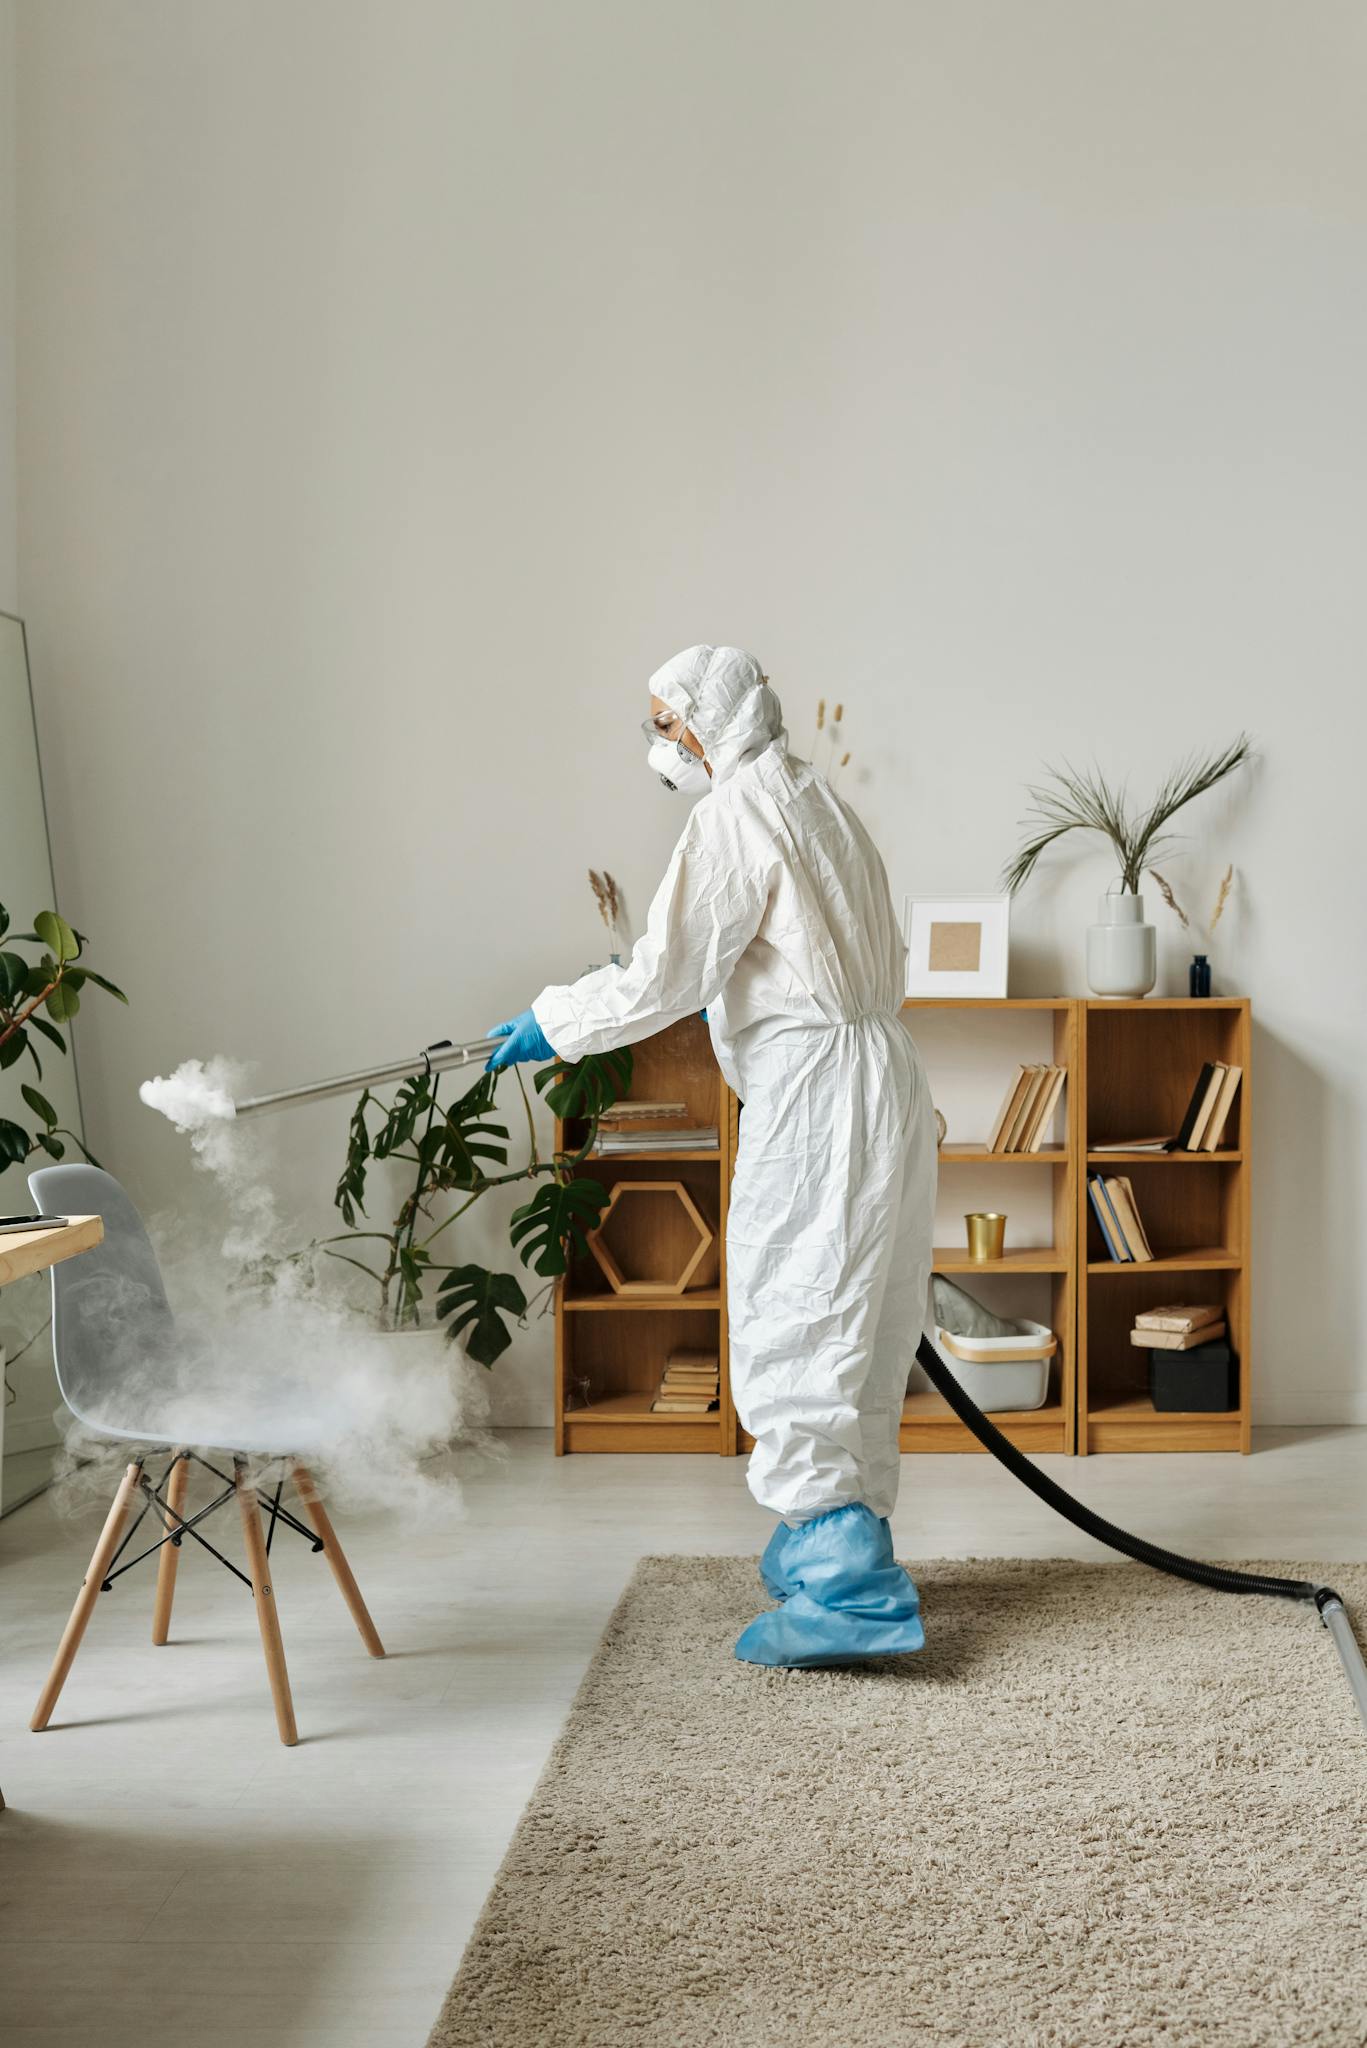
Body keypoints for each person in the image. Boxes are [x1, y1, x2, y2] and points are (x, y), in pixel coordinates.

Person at [487, 645, 937, 1667]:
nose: (658, 743)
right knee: (861, 1323)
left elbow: (663, 978)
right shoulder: (818, 801)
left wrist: (553, 1020)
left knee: (796, 1314)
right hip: (887, 1077)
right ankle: (831, 1534)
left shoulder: (731, 815)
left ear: (702, 720)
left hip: (818, 1093)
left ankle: (845, 1589)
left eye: (662, 722)